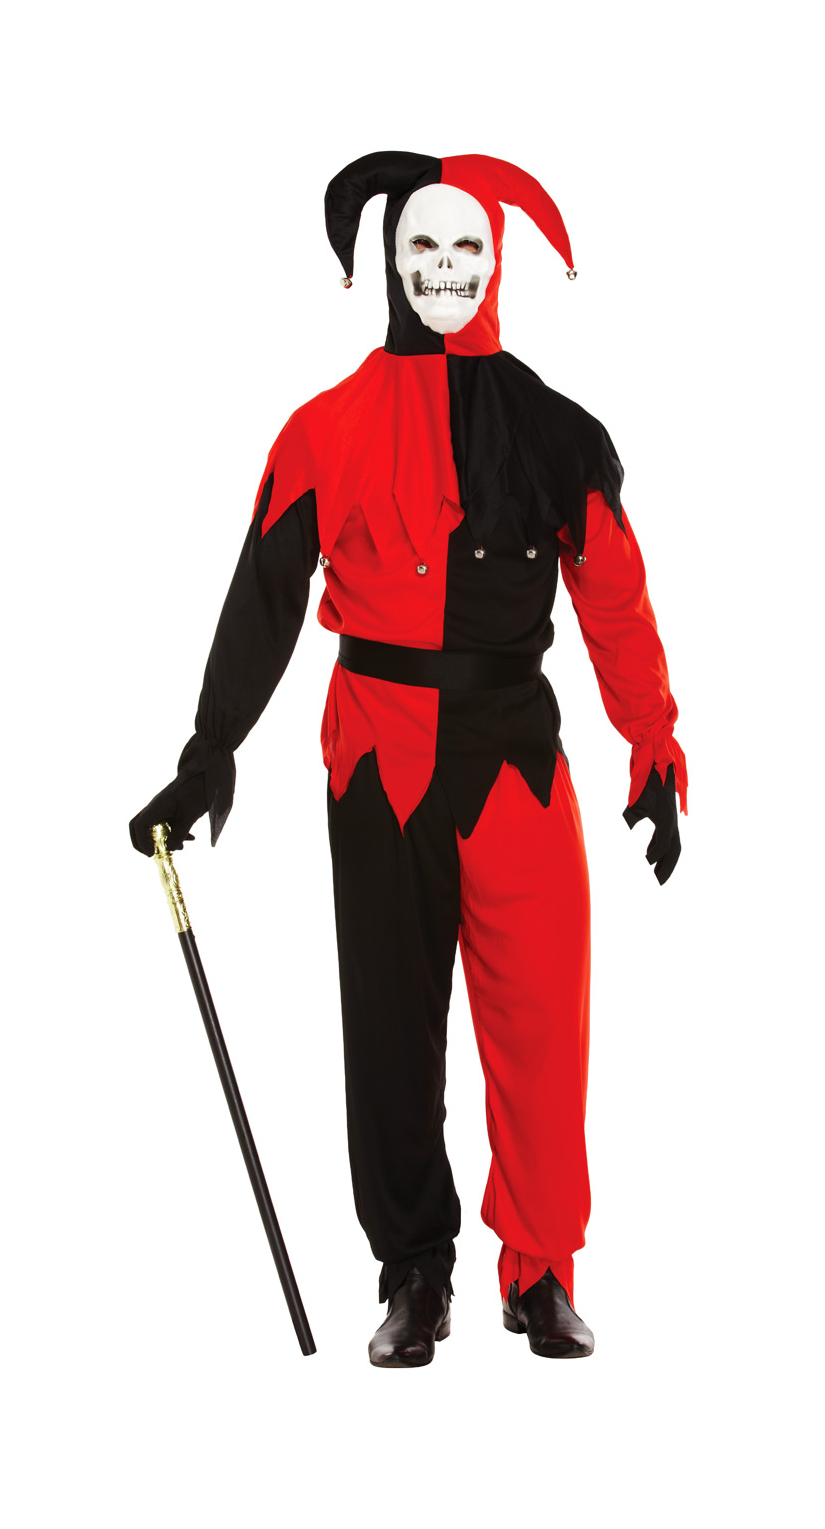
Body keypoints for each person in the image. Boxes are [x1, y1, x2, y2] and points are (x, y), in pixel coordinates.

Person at [130, 152, 688, 1365]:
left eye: (466, 248)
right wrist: (209, 751)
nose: (443, 269)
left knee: (541, 1021)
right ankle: (414, 1271)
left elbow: (613, 597)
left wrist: (650, 743)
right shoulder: (322, 430)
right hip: (377, 758)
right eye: (421, 248)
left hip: (513, 757)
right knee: (389, 1031)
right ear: (390, 262)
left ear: (497, 262)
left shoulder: (555, 433)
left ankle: (540, 1266)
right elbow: (266, 595)